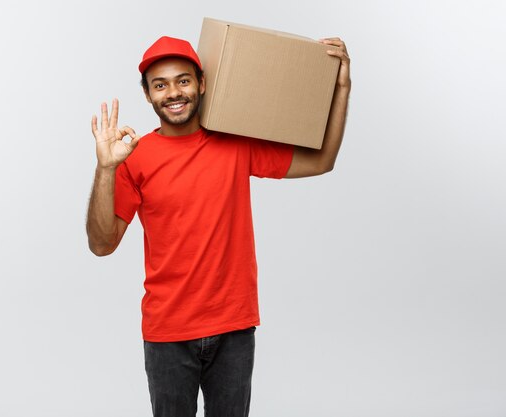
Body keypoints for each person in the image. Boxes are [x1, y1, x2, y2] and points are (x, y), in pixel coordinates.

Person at [86, 35, 351, 417]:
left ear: (202, 84)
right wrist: (106, 168)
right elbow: (101, 243)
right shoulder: (133, 158)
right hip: (168, 333)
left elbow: (322, 159)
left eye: (183, 80)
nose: (173, 92)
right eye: (160, 85)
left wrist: (341, 88)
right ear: (148, 96)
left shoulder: (234, 142)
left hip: (233, 326)